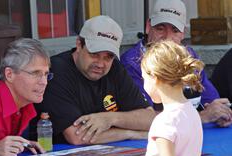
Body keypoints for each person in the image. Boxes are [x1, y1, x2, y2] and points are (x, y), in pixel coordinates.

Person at [32, 15, 156, 145]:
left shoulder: (114, 67)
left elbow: (149, 118)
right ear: (79, 44)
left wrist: (111, 119)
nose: (101, 64)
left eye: (108, 57)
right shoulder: (56, 71)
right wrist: (131, 133)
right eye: (94, 54)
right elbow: (77, 136)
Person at [121, 0, 232, 127]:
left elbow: (212, 100)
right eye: (160, 28)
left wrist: (219, 112)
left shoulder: (188, 55)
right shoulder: (131, 62)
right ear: (148, 26)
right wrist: (200, 117)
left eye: (175, 30)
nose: (167, 37)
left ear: (183, 33)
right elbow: (144, 117)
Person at [127, 40, 204, 156]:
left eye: (144, 79)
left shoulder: (163, 122)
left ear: (154, 78)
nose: (144, 85)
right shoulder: (191, 112)